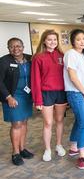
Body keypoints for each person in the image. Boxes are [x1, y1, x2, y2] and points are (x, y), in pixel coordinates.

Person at [31, 30, 67, 162]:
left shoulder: (62, 55)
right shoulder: (38, 57)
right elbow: (35, 80)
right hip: (46, 93)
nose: (52, 42)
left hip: (61, 93)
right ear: (44, 41)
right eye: (49, 39)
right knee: (48, 122)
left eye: (55, 40)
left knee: (60, 121)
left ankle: (58, 144)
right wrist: (37, 99)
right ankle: (47, 149)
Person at [0, 38, 34, 166]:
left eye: (18, 46)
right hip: (12, 97)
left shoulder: (29, 59)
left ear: (23, 46)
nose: (16, 49)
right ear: (8, 48)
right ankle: (15, 153)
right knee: (16, 124)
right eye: (12, 46)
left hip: (26, 96)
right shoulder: (4, 61)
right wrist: (8, 97)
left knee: (24, 122)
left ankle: (22, 148)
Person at [63, 29, 84, 169]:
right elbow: (73, 77)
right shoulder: (71, 54)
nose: (82, 41)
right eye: (79, 39)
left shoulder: (83, 55)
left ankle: (74, 147)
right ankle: (81, 155)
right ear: (73, 41)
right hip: (76, 93)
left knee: (79, 121)